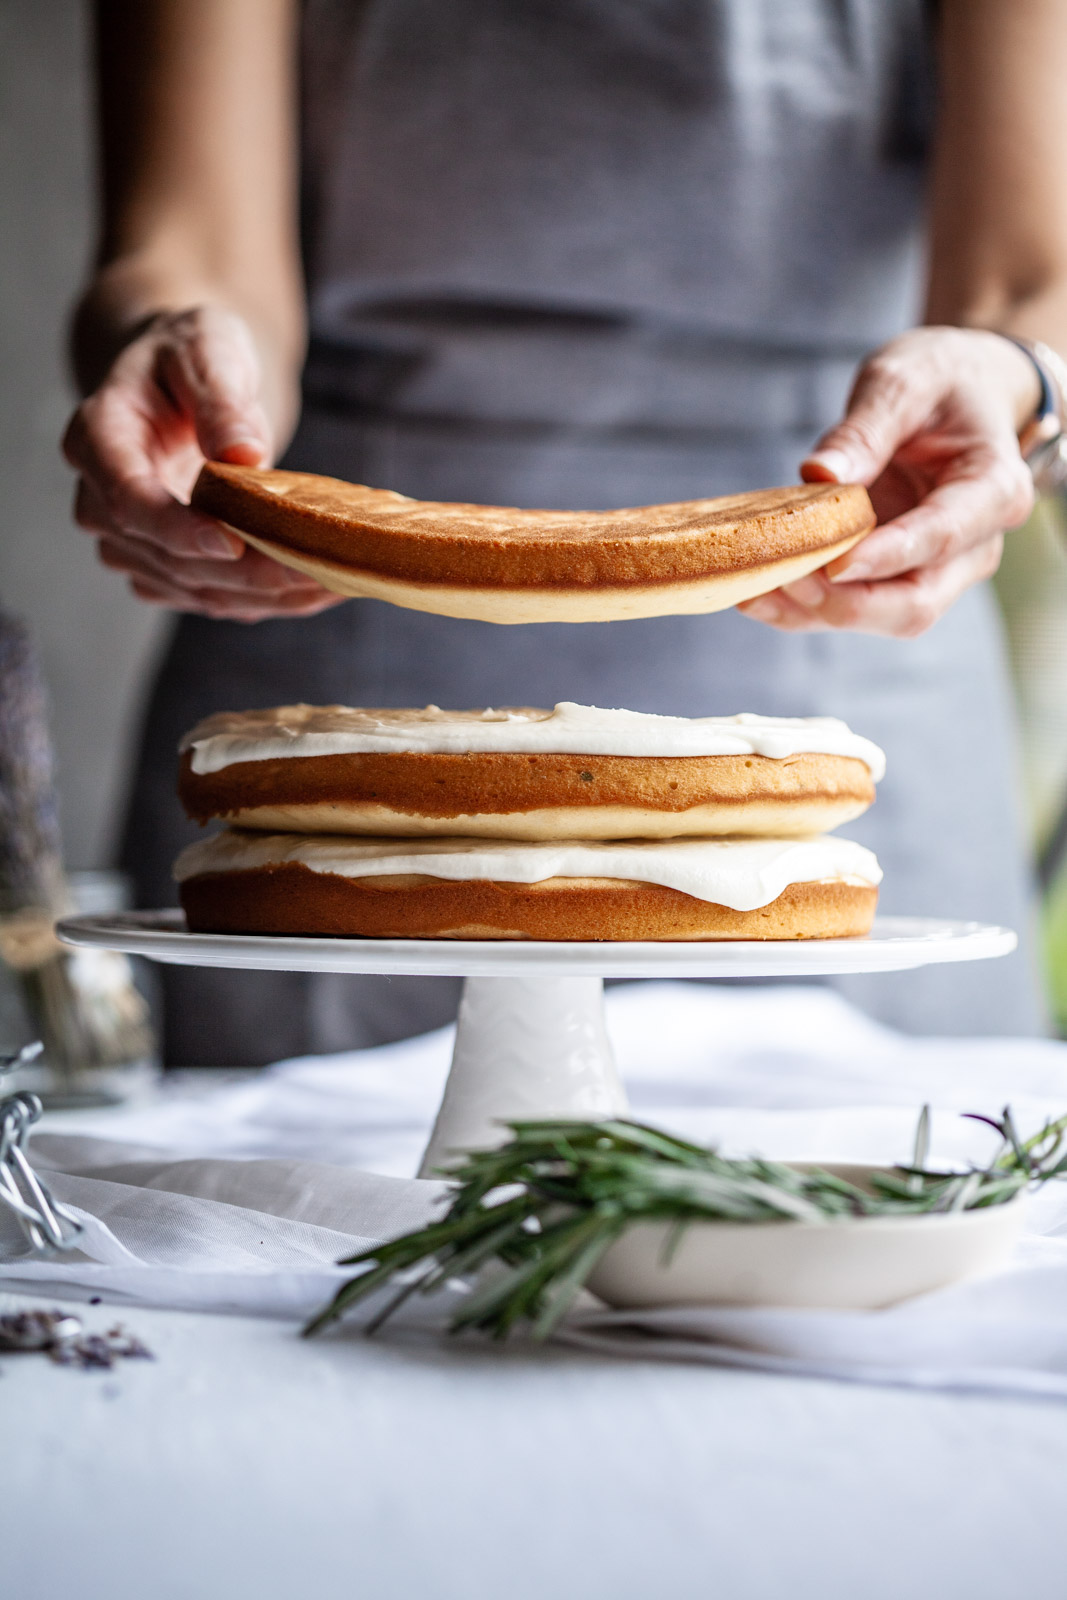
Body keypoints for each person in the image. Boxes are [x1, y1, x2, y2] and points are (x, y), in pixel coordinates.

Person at [63, 0, 1067, 1063]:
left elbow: (1023, 278)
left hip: (841, 627)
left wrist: (1017, 380)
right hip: (334, 646)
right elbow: (188, 246)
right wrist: (177, 357)